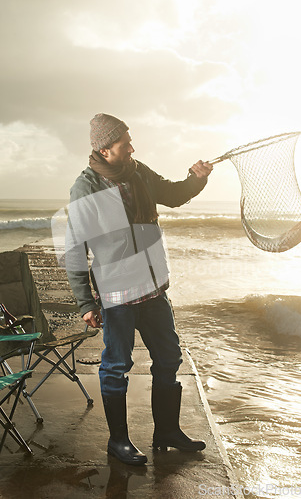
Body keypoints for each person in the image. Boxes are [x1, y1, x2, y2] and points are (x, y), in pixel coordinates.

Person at [65, 113, 212, 466]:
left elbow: (174, 195)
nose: (132, 148)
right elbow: (74, 247)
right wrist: (86, 302)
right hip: (117, 296)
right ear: (104, 150)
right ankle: (118, 442)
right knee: (116, 365)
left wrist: (196, 179)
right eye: (123, 144)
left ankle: (167, 431)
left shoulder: (138, 171)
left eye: (130, 142)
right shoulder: (85, 188)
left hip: (153, 289)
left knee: (169, 359)